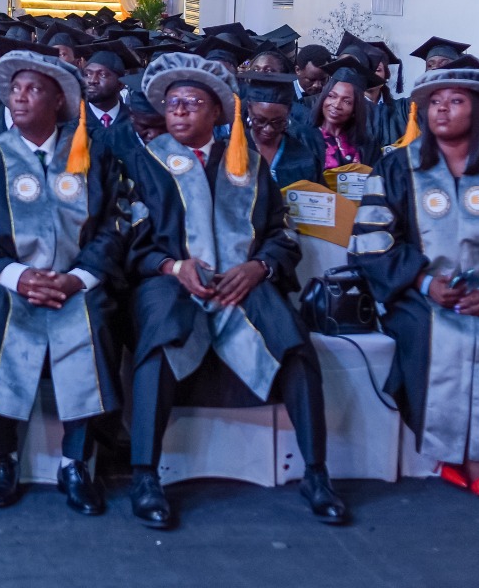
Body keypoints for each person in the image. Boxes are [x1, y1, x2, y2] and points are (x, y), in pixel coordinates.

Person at [119, 54, 345, 528]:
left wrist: (259, 267)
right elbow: (129, 238)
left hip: (241, 280)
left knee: (294, 341)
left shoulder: (246, 164)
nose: (179, 110)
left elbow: (282, 234)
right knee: (160, 338)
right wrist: (172, 265)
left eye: (192, 103)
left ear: (218, 112)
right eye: (173, 103)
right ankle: (145, 476)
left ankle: (316, 473)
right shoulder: (144, 161)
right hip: (169, 281)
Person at [349, 58, 479, 498]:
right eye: (435, 102)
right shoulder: (397, 167)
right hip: (417, 292)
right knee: (428, 333)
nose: (441, 109)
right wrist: (426, 283)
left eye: (456, 101)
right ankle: (460, 454)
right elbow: (372, 241)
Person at [0, 52, 128, 517]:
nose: (19, 97)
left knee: (95, 321)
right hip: (10, 284)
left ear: (59, 100)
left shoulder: (92, 153)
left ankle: (74, 462)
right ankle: (4, 457)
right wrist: (16, 276)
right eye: (14, 89)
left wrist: (78, 278)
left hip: (77, 284)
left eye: (33, 89)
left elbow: (115, 224)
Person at [298, 54, 381, 173]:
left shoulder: (368, 145)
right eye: (332, 96)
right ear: (323, 98)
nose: (336, 105)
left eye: (347, 101)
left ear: (355, 109)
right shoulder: (303, 138)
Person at [241, 72, 321, 186]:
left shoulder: (304, 157)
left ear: (288, 111)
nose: (268, 129)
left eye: (278, 122)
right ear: (249, 109)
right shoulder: (230, 147)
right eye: (260, 120)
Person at [290, 44, 331, 127]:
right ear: (297, 70)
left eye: (323, 79)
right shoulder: (284, 95)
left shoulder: (333, 95)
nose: (317, 85)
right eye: (311, 80)